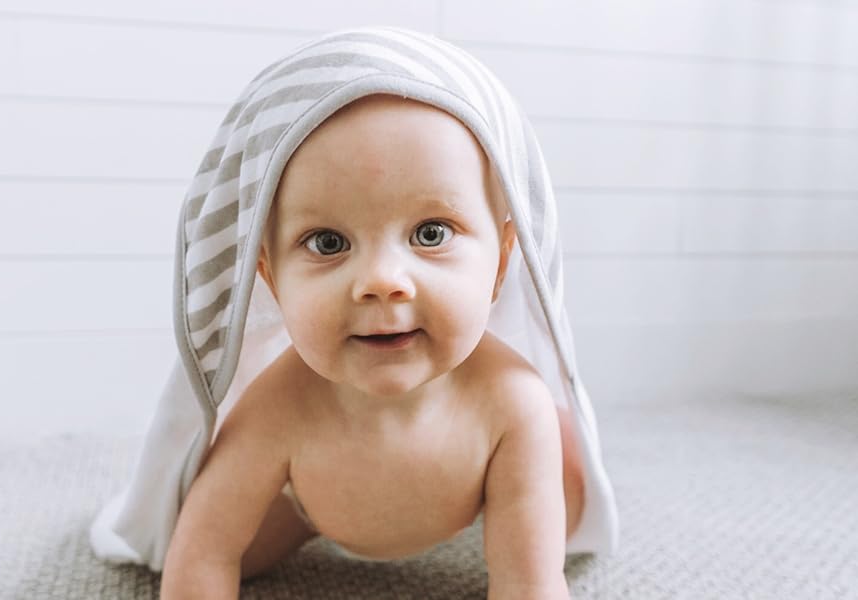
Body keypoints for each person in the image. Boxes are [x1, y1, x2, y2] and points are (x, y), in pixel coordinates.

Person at [88, 26, 618, 600]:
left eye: (431, 232)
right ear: (267, 278)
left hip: (481, 490)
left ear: (500, 264)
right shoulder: (278, 409)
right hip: (305, 508)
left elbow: (529, 586)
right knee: (215, 538)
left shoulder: (514, 405)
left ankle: (516, 506)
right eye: (327, 243)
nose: (382, 282)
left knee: (561, 497)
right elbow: (205, 552)